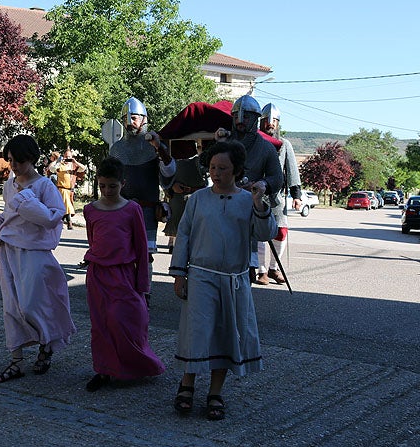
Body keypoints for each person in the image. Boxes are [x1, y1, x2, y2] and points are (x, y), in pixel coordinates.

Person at [169, 140, 277, 420]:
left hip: (234, 280)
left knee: (227, 335)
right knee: (197, 332)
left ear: (237, 170)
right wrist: (180, 273)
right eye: (213, 167)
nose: (216, 173)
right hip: (202, 277)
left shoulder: (247, 200)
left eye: (223, 168)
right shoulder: (198, 200)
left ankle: (215, 392)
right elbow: (184, 236)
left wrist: (258, 202)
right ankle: (187, 384)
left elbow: (265, 233)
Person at [0, 134, 76, 383]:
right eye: (11, 160)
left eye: (19, 161)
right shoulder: (9, 186)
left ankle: (47, 344)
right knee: (12, 307)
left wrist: (25, 199)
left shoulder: (44, 185)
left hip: (34, 253)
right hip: (7, 251)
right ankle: (16, 361)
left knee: (33, 305)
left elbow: (52, 218)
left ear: (32, 159)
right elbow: (6, 219)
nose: (13, 166)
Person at [82, 157, 165, 392]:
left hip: (124, 274)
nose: (107, 191)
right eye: (103, 186)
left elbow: (141, 248)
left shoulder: (131, 209)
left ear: (123, 184)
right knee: (100, 325)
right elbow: (93, 240)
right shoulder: (90, 210)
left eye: (113, 186)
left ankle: (137, 364)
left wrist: (143, 286)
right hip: (97, 274)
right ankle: (104, 369)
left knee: (126, 321)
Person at [215, 95, 283, 278]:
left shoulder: (266, 148)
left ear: (255, 119)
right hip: (221, 207)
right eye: (236, 116)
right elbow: (203, 167)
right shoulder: (224, 144)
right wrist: (217, 146)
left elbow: (277, 177)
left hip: (247, 209)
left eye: (245, 116)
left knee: (246, 271)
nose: (239, 120)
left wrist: (264, 184)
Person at [108, 98, 176, 268]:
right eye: (126, 119)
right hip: (121, 210)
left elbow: (169, 172)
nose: (130, 122)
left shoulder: (155, 146)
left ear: (144, 119)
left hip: (146, 210)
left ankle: (145, 293)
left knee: (146, 258)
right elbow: (109, 180)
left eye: (134, 118)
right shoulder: (116, 149)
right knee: (121, 255)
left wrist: (159, 148)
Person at [255, 103, 302, 285]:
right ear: (261, 122)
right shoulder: (255, 143)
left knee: (281, 232)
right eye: (267, 120)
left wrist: (296, 195)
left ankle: (274, 268)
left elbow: (291, 169)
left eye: (274, 120)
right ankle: (261, 271)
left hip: (276, 197)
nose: (270, 124)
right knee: (258, 233)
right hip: (256, 194)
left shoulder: (284, 145)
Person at [47, 150, 85, 230]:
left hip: (70, 191)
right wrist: (58, 160)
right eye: (66, 157)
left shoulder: (74, 166)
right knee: (67, 205)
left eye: (69, 157)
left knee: (63, 207)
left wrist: (75, 162)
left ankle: (59, 222)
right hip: (62, 189)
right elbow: (51, 168)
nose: (68, 158)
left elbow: (83, 168)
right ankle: (69, 223)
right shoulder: (59, 165)